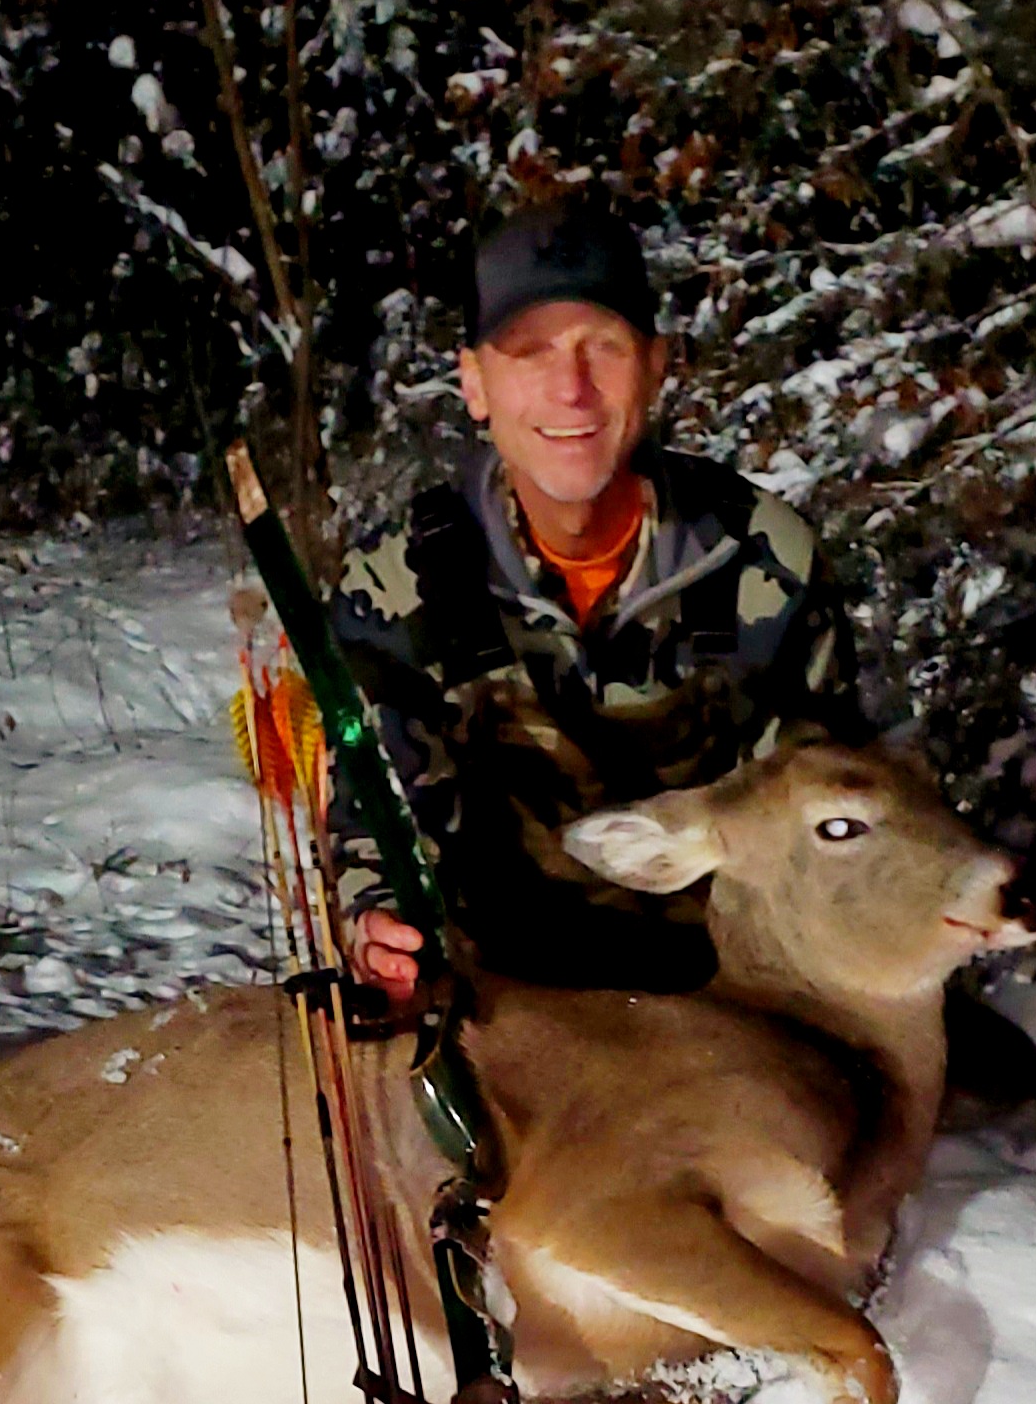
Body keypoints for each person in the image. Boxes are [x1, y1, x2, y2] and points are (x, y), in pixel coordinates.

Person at [326, 196, 870, 1004]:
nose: (571, 389)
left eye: (602, 348)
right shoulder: (395, 587)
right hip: (508, 1014)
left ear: (657, 364)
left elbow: (828, 813)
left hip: (731, 1009)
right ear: (473, 383)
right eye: (530, 352)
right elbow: (378, 817)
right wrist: (377, 924)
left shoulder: (762, 558)